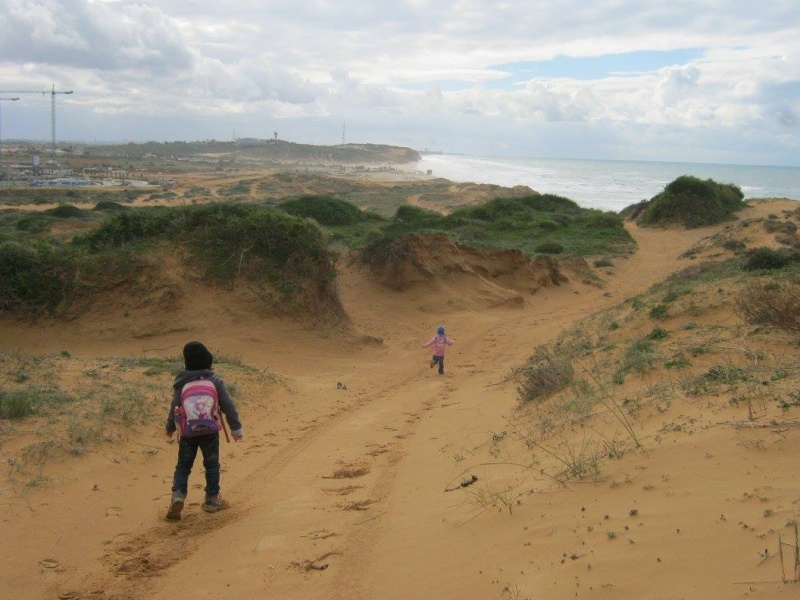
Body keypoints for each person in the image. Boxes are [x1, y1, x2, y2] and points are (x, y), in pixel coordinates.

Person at [165, 341, 243, 521]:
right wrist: (236, 428)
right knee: (212, 465)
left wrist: (170, 427)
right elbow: (228, 406)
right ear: (208, 361)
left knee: (183, 466)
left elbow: (174, 408)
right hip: (210, 432)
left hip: (187, 432)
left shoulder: (181, 384)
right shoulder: (215, 381)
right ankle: (212, 499)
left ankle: (178, 495)